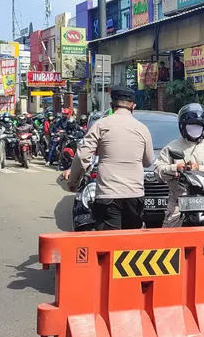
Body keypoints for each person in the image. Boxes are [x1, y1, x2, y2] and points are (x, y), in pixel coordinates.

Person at [63, 86, 154, 230]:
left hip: (108, 195)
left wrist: (73, 181)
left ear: (111, 105)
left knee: (109, 242)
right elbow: (148, 161)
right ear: (133, 106)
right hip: (135, 195)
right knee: (131, 241)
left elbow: (81, 156)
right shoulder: (142, 128)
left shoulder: (101, 125)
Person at [153, 103, 204, 229]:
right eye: (191, 125)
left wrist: (199, 168)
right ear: (183, 127)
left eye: (198, 126)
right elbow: (158, 171)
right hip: (179, 203)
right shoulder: (172, 147)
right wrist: (175, 168)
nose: (194, 129)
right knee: (169, 241)